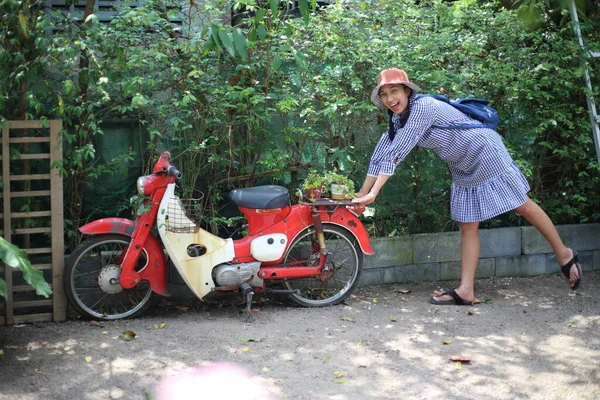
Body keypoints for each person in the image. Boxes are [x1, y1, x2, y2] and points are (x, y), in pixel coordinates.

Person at [352, 68, 582, 305]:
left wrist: (374, 193)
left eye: (394, 91)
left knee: (521, 205)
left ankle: (564, 254)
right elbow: (382, 153)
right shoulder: (398, 118)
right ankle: (466, 290)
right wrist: (360, 195)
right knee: (468, 223)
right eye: (384, 94)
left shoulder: (422, 107)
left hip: (484, 151)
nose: (390, 99)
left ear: (407, 91)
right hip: (462, 163)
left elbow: (398, 152)